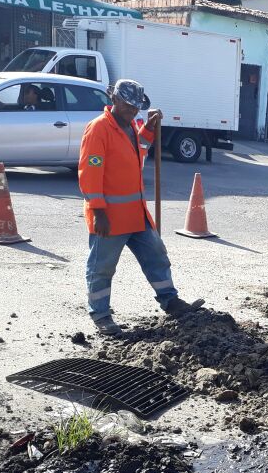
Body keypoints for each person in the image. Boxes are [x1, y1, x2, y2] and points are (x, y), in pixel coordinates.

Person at [79, 79, 203, 335]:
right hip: (110, 218)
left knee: (156, 255)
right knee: (102, 267)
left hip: (136, 214)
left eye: (136, 107)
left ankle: (170, 300)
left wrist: (148, 128)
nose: (132, 110)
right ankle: (101, 314)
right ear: (113, 99)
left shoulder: (130, 127)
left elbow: (140, 151)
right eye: (127, 105)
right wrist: (98, 211)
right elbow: (90, 173)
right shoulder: (99, 129)